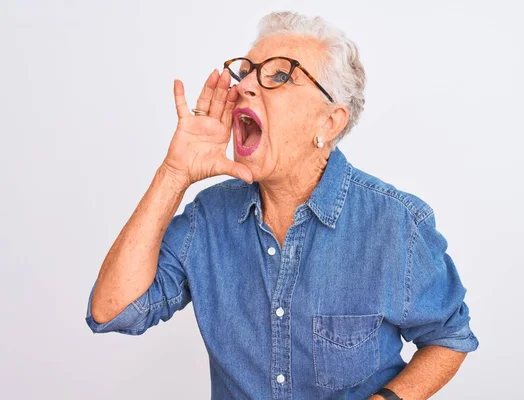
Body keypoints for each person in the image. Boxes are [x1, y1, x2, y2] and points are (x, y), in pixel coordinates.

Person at [85, 10, 479, 400]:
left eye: (279, 75)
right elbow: (113, 311)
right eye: (246, 72)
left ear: (328, 123)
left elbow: (449, 336)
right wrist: (175, 172)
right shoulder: (208, 219)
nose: (244, 87)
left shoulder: (396, 224)